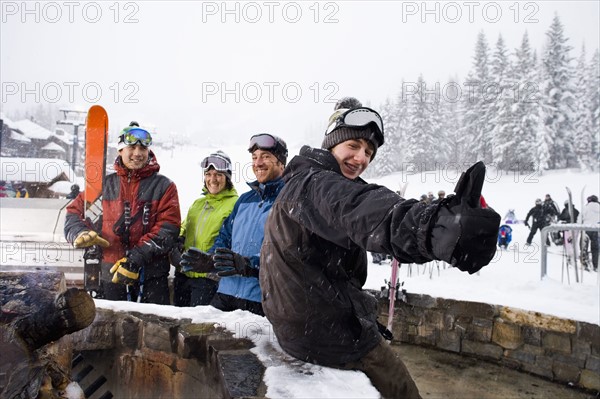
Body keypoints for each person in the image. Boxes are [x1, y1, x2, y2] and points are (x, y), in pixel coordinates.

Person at [260, 101, 500, 399]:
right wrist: (432, 227)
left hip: (313, 329)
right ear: (332, 143)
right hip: (330, 338)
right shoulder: (314, 184)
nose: (361, 158)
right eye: (354, 144)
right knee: (403, 390)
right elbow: (360, 208)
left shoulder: (302, 183)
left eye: (369, 152)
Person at [65, 122, 181, 303]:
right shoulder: (103, 185)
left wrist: (135, 259)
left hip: (151, 277)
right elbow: (73, 213)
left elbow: (168, 229)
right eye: (132, 147)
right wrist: (80, 232)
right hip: (110, 275)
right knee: (110, 329)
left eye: (143, 148)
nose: (137, 153)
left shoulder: (164, 187)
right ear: (120, 150)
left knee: (154, 328)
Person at [181, 133, 288, 316]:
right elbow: (225, 236)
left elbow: (287, 255)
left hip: (262, 300)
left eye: (266, 157)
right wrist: (211, 260)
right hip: (225, 293)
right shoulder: (245, 200)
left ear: (281, 163)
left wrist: (249, 265)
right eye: (254, 157)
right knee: (200, 339)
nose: (258, 163)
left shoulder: (287, 200)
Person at [172, 151, 238, 307]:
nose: (212, 179)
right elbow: (184, 227)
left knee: (197, 327)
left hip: (208, 279)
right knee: (177, 323)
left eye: (218, 175)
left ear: (227, 178)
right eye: (208, 174)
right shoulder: (198, 203)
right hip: (184, 274)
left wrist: (213, 260)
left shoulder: (235, 204)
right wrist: (178, 242)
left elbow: (232, 238)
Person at [580, 195, 600, 271]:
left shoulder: (586, 207)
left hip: (586, 229)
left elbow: (580, 219)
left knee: (583, 246)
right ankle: (596, 265)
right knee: (596, 248)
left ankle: (584, 262)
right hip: (597, 229)